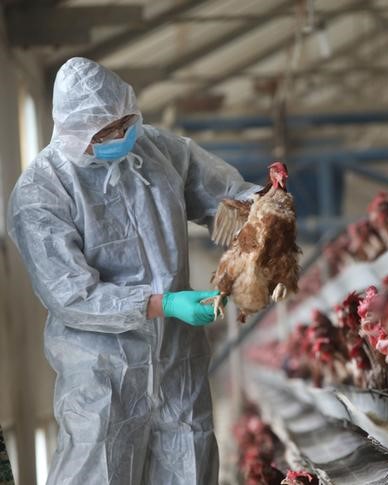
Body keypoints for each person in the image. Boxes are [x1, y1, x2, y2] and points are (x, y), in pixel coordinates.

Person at [8, 57, 260, 484]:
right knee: (98, 468)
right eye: (104, 133)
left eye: (125, 122)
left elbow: (228, 199)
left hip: (177, 360)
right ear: (72, 133)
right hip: (102, 371)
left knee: (188, 463)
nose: (120, 137)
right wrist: (164, 303)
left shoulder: (158, 149)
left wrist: (263, 210)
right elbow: (71, 296)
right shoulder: (41, 193)